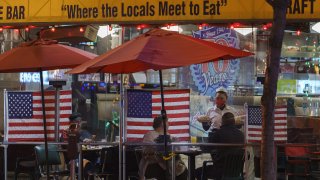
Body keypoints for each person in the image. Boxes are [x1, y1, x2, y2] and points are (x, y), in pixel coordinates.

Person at [196, 112, 244, 180]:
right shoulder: (241, 135)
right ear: (234, 122)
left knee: (198, 172)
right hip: (236, 171)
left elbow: (208, 147)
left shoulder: (218, 133)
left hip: (220, 171)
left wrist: (200, 147)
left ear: (222, 122)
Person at [139, 115, 187, 180]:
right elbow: (148, 151)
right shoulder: (150, 134)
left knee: (183, 169)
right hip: (156, 164)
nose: (169, 125)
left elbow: (176, 149)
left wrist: (175, 142)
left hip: (168, 161)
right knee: (182, 171)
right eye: (167, 123)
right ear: (163, 124)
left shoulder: (167, 135)